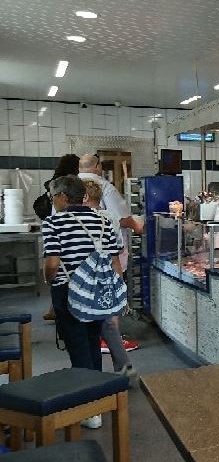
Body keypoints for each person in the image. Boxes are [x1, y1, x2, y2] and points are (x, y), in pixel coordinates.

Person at [42, 176, 121, 430]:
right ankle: (97, 398)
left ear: (63, 197)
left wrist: (49, 280)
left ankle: (89, 409)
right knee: (92, 341)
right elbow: (114, 261)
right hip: (98, 289)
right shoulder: (103, 220)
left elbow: (53, 263)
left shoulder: (53, 222)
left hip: (68, 290)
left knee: (77, 345)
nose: (53, 201)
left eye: (53, 196)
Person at [82, 180, 139, 381]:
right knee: (109, 325)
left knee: (88, 329)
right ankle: (124, 369)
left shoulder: (79, 220)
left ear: (84, 197)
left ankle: (92, 377)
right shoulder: (110, 218)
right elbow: (116, 253)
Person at [41, 153, 81, 321]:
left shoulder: (56, 183)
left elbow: (52, 263)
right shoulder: (72, 185)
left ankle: (55, 309)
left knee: (61, 267)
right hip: (70, 224)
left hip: (58, 224)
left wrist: (48, 279)